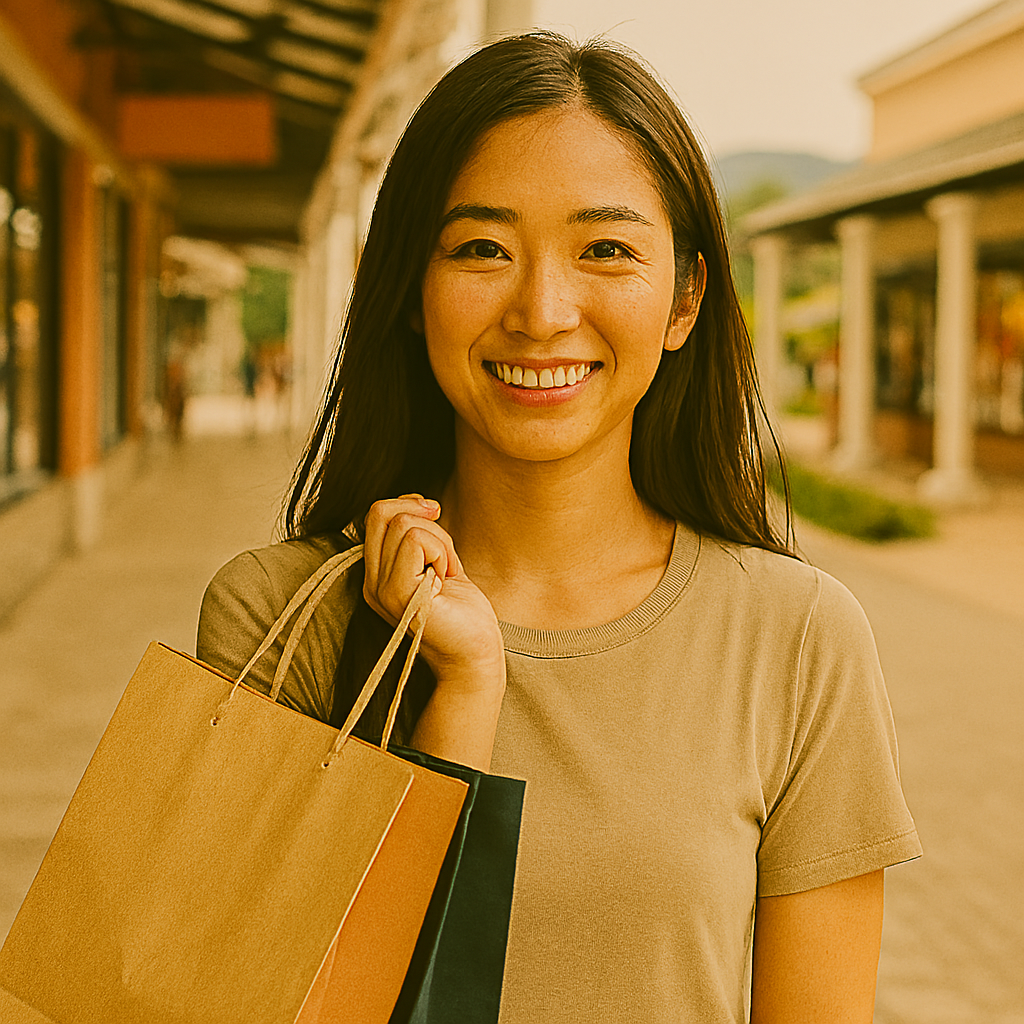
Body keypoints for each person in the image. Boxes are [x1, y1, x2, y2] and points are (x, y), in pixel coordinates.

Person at [198, 33, 921, 1024]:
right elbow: (252, 1000)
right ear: (410, 287)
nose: (542, 310)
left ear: (685, 299)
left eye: (606, 250)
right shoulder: (275, 618)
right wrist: (462, 694)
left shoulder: (796, 637)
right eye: (483, 248)